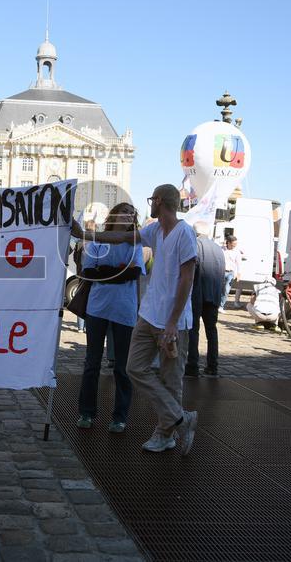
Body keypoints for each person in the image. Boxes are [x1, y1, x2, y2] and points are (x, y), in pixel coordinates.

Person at [126, 184, 199, 455]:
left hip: (174, 322)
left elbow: (187, 278)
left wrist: (172, 323)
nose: (150, 205)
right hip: (149, 315)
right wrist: (87, 233)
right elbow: (128, 238)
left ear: (159, 201)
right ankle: (181, 418)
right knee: (134, 367)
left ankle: (164, 434)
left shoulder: (185, 233)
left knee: (171, 380)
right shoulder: (155, 231)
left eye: (151, 200)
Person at [69, 202, 144, 433]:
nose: (127, 216)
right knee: (92, 363)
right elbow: (90, 272)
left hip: (124, 309)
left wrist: (108, 272)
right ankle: (86, 412)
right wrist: (119, 271)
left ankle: (120, 416)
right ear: (114, 215)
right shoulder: (97, 240)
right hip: (98, 308)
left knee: (122, 367)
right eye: (124, 212)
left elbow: (134, 272)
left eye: (131, 214)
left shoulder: (134, 242)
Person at [186, 221, 225, 377]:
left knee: (193, 330)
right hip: (213, 294)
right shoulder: (218, 248)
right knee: (211, 330)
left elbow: (191, 270)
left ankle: (192, 365)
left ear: (195, 232)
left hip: (197, 293)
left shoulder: (195, 245)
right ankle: (212, 365)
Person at [221, 235, 242, 309]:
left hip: (230, 273)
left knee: (226, 290)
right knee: (219, 289)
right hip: (221, 272)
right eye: (234, 244)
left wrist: (238, 274)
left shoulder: (237, 251)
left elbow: (239, 263)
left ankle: (221, 306)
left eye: (236, 244)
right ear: (229, 243)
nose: (235, 245)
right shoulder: (222, 249)